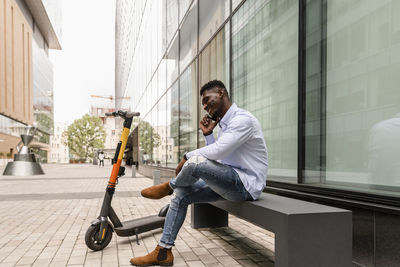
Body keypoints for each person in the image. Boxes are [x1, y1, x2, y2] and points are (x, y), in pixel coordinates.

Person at [129, 80, 268, 266]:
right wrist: (208, 135)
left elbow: (217, 152)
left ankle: (168, 186)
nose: (204, 106)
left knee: (194, 162)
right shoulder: (224, 124)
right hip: (230, 180)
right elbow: (218, 160)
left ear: (221, 93)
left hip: (246, 185)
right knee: (182, 194)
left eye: (206, 100)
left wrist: (187, 156)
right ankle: (163, 251)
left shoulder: (242, 120)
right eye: (203, 103)